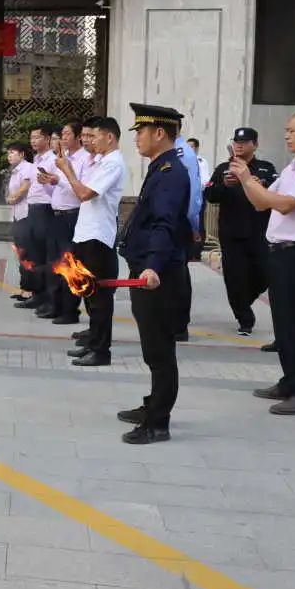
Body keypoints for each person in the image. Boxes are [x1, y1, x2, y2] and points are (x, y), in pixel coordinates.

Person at [234, 109, 295, 415]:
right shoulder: (294, 167)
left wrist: (248, 179)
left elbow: (286, 205)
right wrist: (249, 182)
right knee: (284, 322)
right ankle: (289, 381)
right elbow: (261, 202)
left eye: (292, 131)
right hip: (280, 251)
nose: (286, 135)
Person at [116, 104, 192, 445]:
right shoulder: (161, 168)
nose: (137, 139)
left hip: (156, 274)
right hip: (146, 267)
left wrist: (153, 266)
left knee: (160, 350)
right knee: (152, 347)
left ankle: (158, 423)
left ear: (159, 133)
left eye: (141, 132)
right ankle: (153, 405)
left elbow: (166, 223)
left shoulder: (172, 172)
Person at [59, 117, 126, 367]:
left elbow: (85, 194)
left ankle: (101, 350)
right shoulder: (100, 161)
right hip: (85, 234)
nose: (89, 141)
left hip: (98, 237)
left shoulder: (113, 164)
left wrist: (67, 171)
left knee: (99, 298)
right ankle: (92, 342)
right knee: (87, 293)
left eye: (94, 136)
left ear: (109, 137)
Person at [203, 128, 276, 336]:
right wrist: (224, 185)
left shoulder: (265, 168)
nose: (239, 145)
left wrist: (260, 184)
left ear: (255, 144)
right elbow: (210, 194)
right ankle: (245, 318)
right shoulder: (224, 168)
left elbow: (277, 188)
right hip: (231, 233)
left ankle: (245, 301)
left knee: (264, 275)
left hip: (259, 232)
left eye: (245, 142)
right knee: (234, 279)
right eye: (236, 141)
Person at [39, 120, 90, 325]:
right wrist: (48, 182)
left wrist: (58, 180)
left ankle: (70, 311)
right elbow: (57, 189)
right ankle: (55, 306)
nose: (63, 138)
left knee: (70, 264)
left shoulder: (84, 160)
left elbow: (80, 191)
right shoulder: (63, 159)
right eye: (62, 134)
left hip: (73, 216)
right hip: (57, 215)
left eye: (67, 134)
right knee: (55, 263)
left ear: (78, 136)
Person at [17, 125, 56, 314]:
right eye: (31, 137)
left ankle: (48, 299)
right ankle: (36, 295)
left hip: (45, 209)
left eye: (37, 137)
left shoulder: (53, 159)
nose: (33, 141)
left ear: (47, 139)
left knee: (44, 255)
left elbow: (54, 187)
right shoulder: (36, 160)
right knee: (33, 255)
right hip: (32, 209)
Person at [172, 132, 204, 342]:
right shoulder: (177, 152)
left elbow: (193, 194)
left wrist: (193, 225)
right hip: (175, 221)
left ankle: (179, 325)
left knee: (178, 274)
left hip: (178, 221)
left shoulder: (183, 154)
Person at [5, 142, 36, 300]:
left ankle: (30, 289)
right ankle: (24, 287)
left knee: (27, 253)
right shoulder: (15, 171)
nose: (9, 155)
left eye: (12, 152)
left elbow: (24, 188)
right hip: (17, 216)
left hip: (26, 216)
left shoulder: (28, 167)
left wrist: (12, 199)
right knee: (21, 253)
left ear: (22, 154)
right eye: (8, 153)